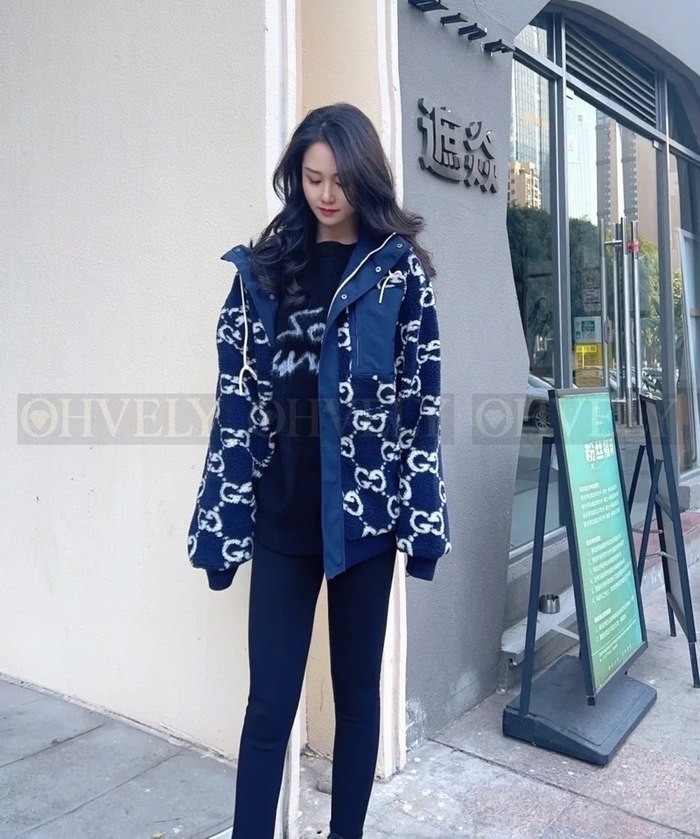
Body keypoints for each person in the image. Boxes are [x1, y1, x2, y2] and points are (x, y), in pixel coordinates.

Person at [188, 102, 450, 839]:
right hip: (281, 520)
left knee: (358, 701)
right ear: (295, 177)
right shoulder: (265, 273)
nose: (327, 194)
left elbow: (419, 407)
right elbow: (235, 406)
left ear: (365, 177)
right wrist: (221, 530)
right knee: (269, 704)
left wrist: (422, 524)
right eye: (312, 178)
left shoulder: (398, 274)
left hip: (365, 524)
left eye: (340, 179)